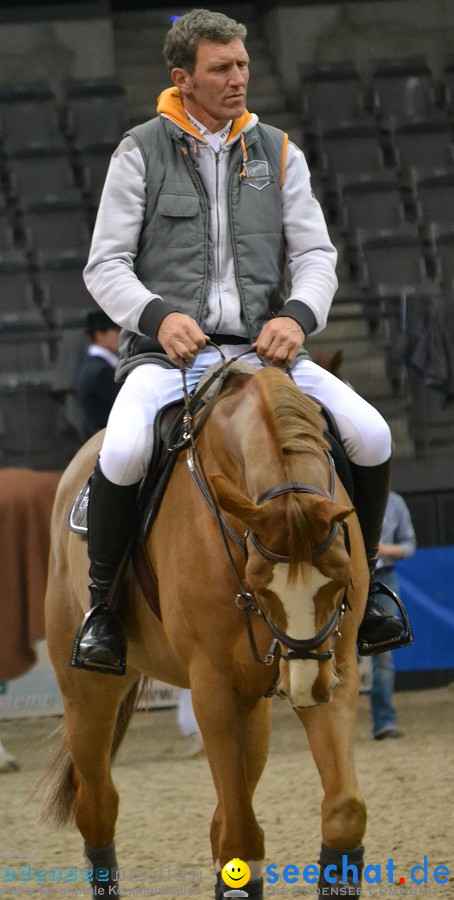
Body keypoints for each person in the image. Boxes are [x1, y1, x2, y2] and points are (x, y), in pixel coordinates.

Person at [71, 8, 407, 676]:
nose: (237, 79)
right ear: (183, 77)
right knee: (129, 446)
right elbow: (103, 265)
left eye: (243, 65)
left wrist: (297, 315)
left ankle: (370, 590)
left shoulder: (278, 151)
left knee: (372, 434)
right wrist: (159, 316)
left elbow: (316, 254)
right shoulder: (140, 150)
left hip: (266, 353)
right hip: (171, 356)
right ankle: (102, 609)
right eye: (220, 68)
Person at [371, 492, 416, 740]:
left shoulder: (396, 502)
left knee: (384, 652)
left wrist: (386, 549)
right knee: (341, 653)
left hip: (384, 576)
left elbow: (410, 545)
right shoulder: (346, 493)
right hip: (348, 575)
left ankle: (384, 722)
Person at [75, 310, 121, 440]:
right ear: (99, 334)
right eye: (116, 331)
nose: (120, 336)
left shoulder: (95, 364)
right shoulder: (101, 370)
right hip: (106, 436)